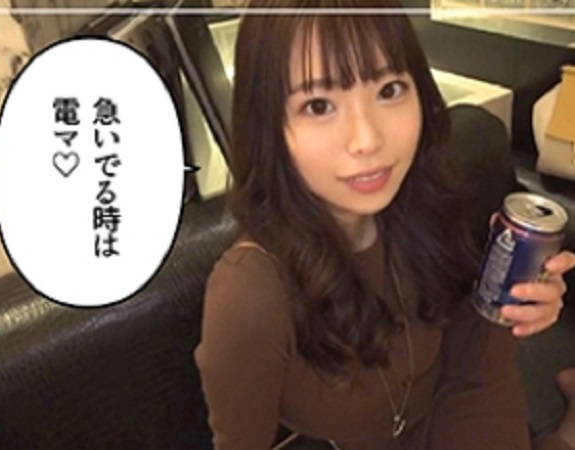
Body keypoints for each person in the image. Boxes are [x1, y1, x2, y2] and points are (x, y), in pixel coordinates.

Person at [194, 0, 575, 448]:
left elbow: (473, 364)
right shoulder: (249, 294)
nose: (368, 139)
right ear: (268, 125)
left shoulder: (428, 193)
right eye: (319, 105)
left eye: (390, 89)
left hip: (463, 400)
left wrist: (517, 308)